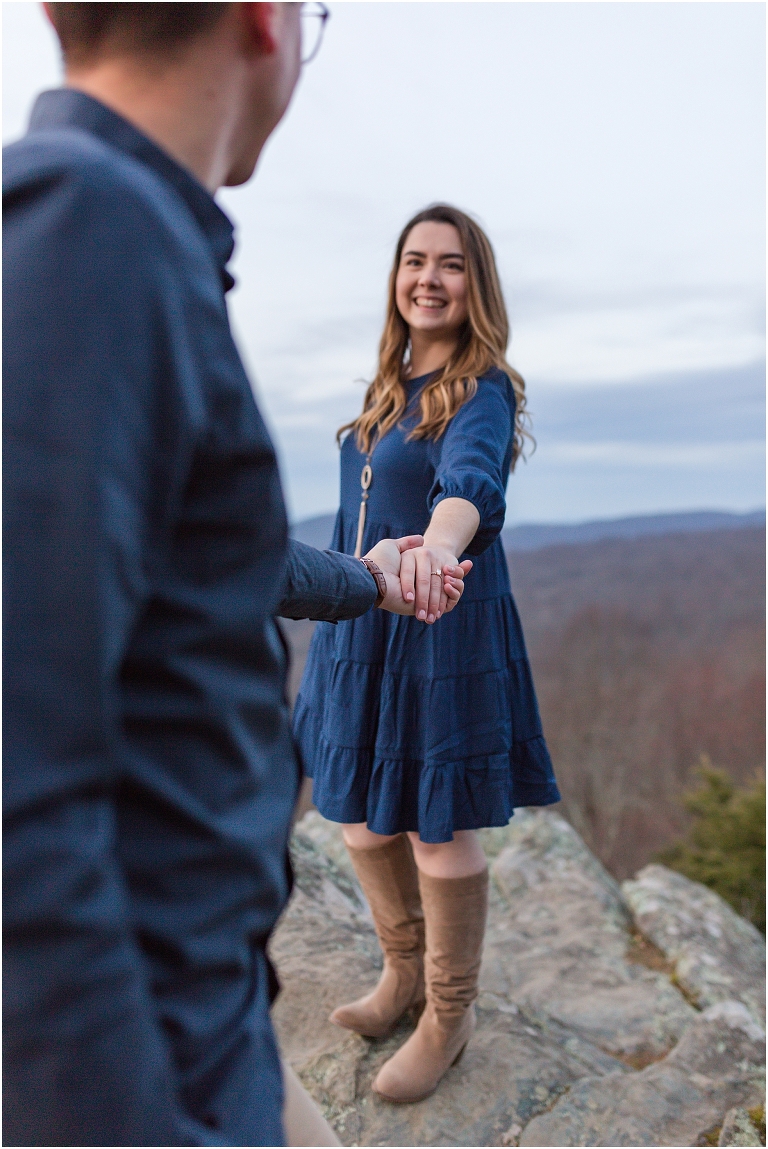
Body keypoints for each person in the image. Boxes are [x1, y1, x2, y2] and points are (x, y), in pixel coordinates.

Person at [2, 6, 471, 1147]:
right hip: (149, 1059)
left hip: (211, 1012)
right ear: (265, 23)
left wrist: (366, 582)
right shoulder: (85, 232)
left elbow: (222, 559)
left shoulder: (125, 234)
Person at [294, 203, 561, 1104]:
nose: (429, 278)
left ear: (474, 283)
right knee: (361, 820)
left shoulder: (483, 387)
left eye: (450, 264)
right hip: (360, 624)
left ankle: (449, 1013)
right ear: (397, 277)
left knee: (435, 829)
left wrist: (442, 550)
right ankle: (401, 973)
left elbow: (470, 485)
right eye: (415, 260)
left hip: (442, 631)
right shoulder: (387, 385)